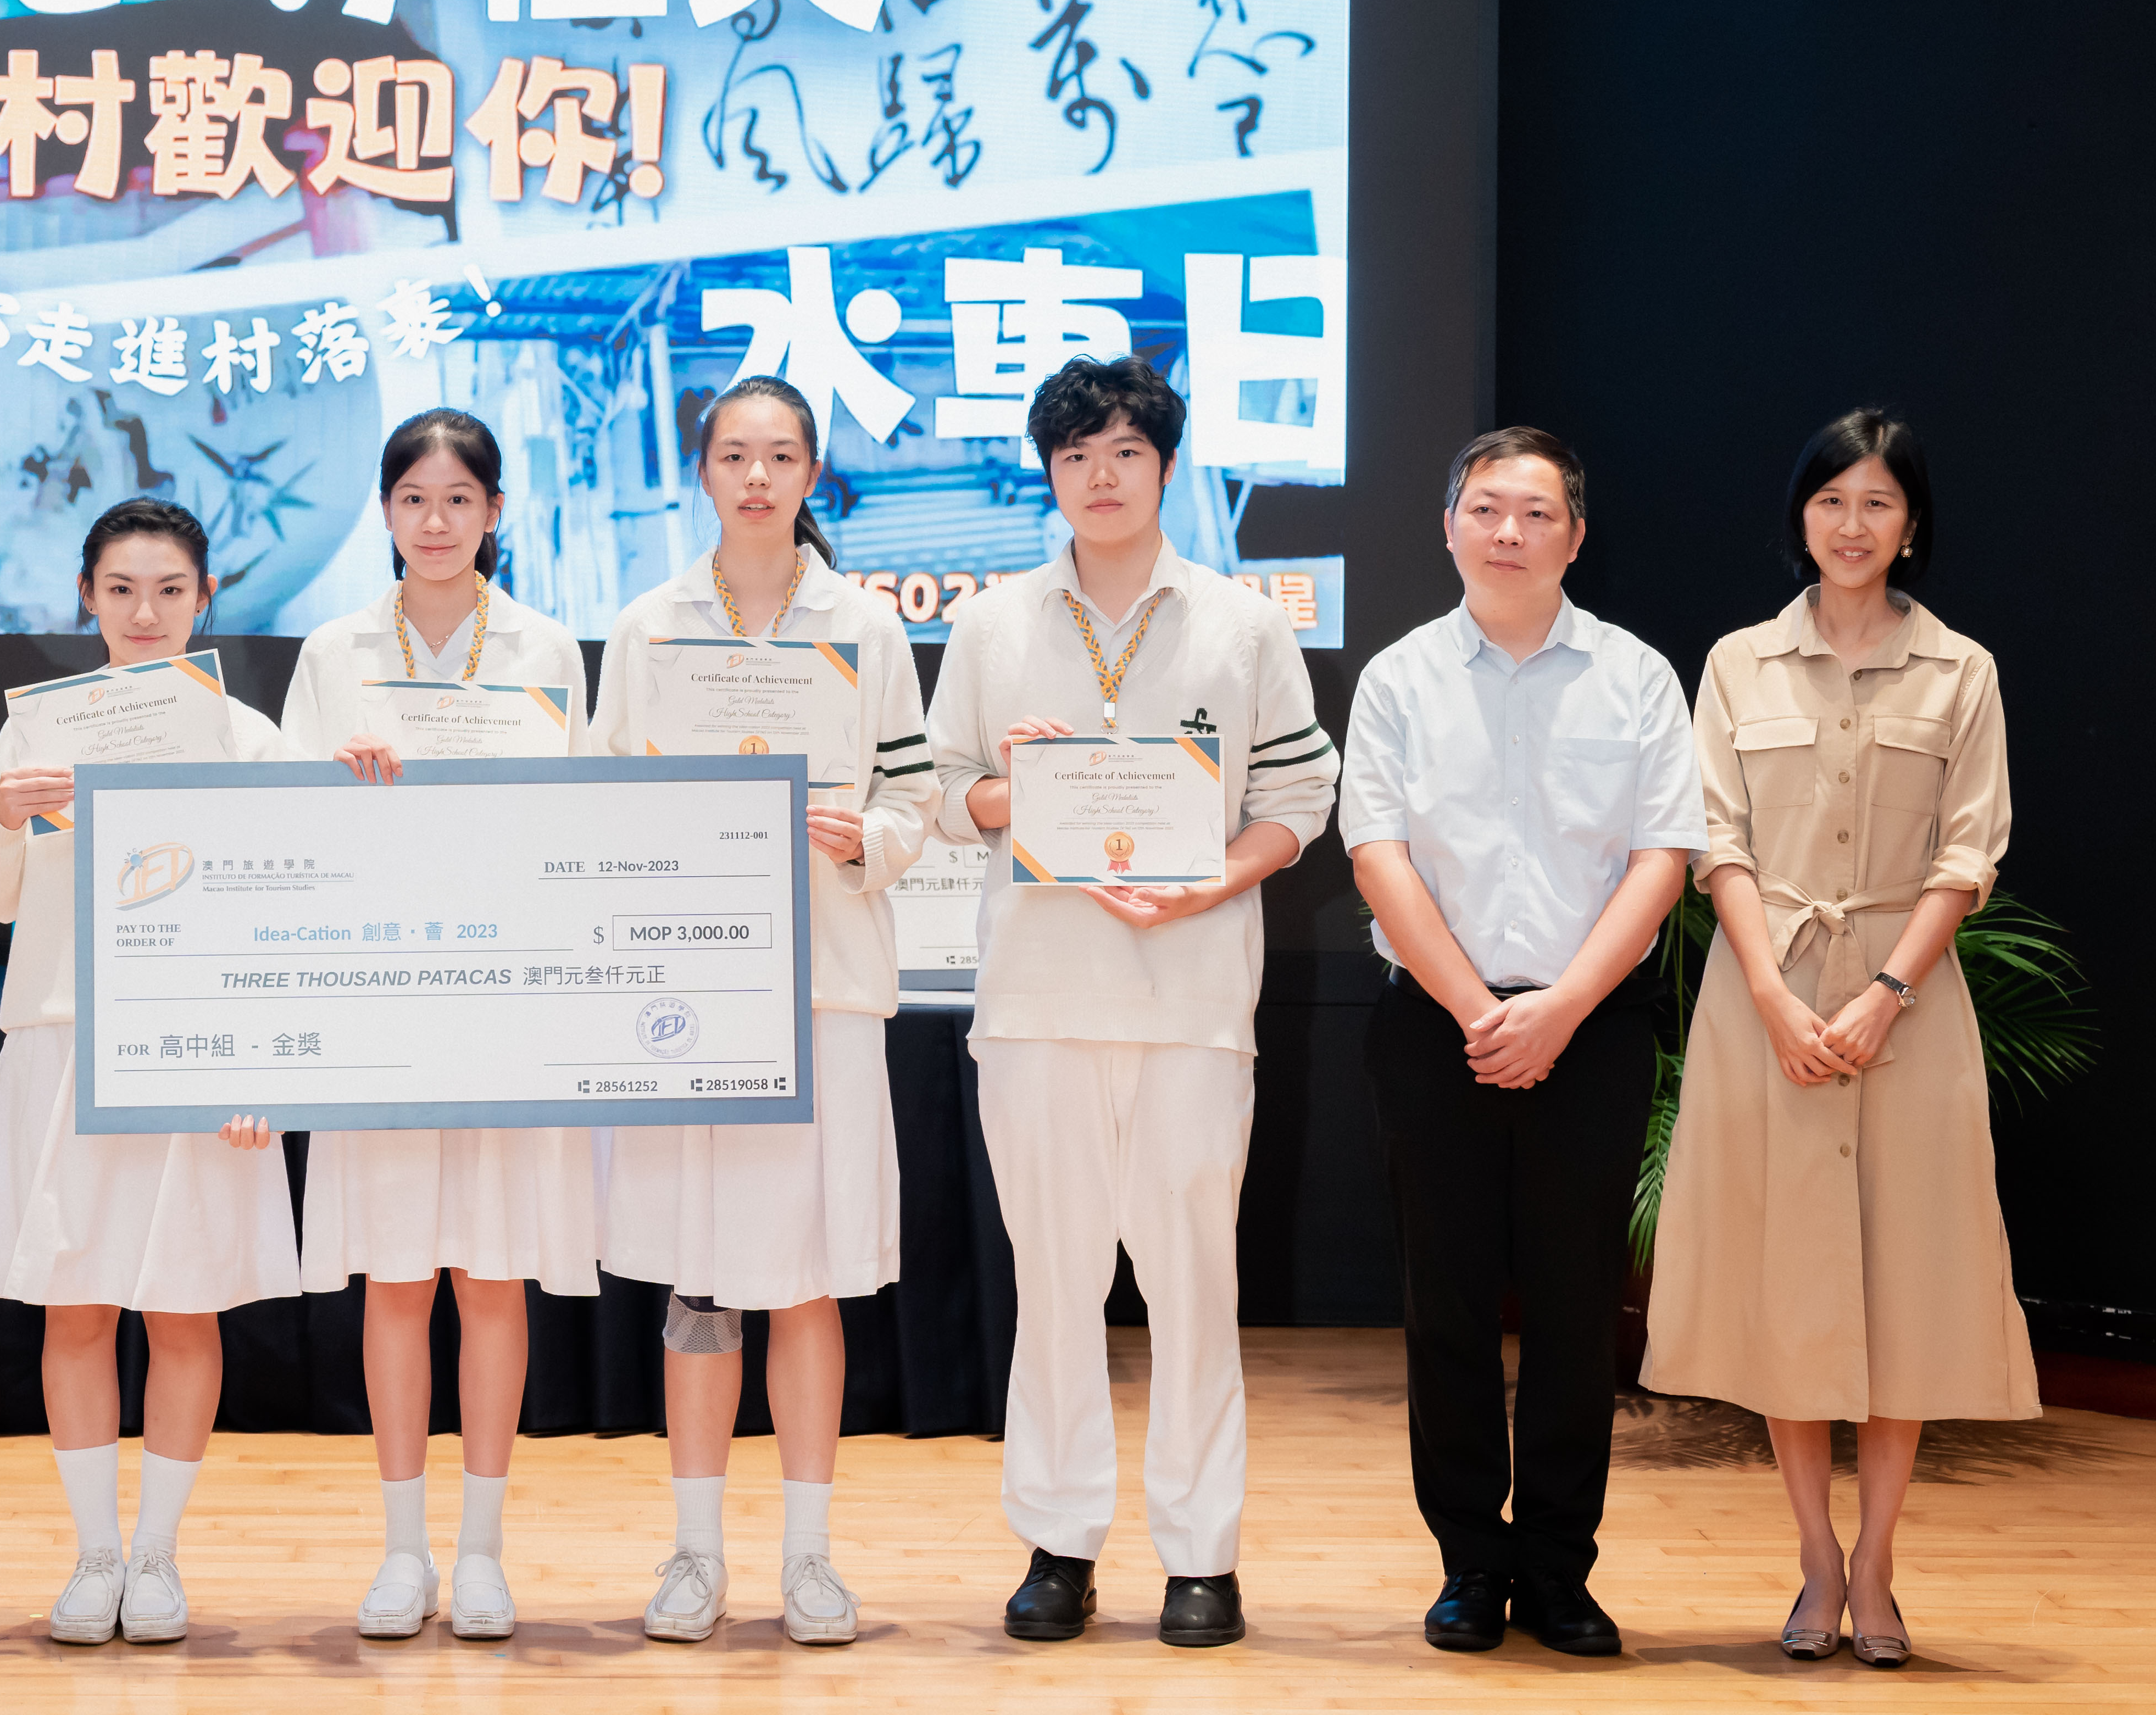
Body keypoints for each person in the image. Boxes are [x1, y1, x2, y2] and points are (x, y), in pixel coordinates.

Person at [925, 354, 1338, 1650]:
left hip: (1191, 1002)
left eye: (1124, 452)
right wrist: (1012, 786)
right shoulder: (993, 625)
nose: (1099, 476)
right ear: (1049, 473)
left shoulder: (1243, 623)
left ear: (1165, 464)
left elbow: (1300, 798)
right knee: (1053, 1286)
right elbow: (941, 793)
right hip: (1036, 1002)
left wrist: (1212, 880)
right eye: (1075, 455)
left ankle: (1202, 1555)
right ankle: (1059, 1541)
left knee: (1194, 1285)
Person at [1641, 410, 2032, 1671]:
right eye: (1831, 500)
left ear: (1911, 523)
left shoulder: (1960, 669)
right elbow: (1716, 839)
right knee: (1792, 1287)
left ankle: (1878, 1564)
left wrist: (1886, 991)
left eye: (1877, 502)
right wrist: (1771, 993)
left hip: (1909, 1008)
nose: (1852, 524)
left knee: (1904, 1281)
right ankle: (1816, 1556)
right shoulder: (1738, 663)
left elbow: (1969, 852)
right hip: (1766, 1002)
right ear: (1800, 516)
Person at [1339, 428, 1700, 1660]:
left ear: (1576, 537)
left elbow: (1663, 855)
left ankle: (1557, 1566)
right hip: (1433, 1027)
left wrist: (1560, 1009)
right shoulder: (1397, 678)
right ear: (1447, 525)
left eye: (1537, 513)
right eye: (1486, 507)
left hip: (1590, 1029)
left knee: (1574, 1309)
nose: (1509, 532)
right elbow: (1376, 853)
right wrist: (1475, 1009)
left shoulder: (1637, 677)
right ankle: (1468, 1563)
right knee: (1443, 1306)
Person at [593, 376, 938, 1649]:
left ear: (809, 472)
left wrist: (864, 836)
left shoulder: (867, 625)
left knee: (805, 1282)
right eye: (735, 454)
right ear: (703, 470)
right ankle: (695, 1555)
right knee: (698, 1286)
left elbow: (915, 797)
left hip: (824, 984)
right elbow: (597, 792)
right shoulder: (648, 626)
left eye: (780, 455)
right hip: (687, 988)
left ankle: (809, 1559)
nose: (756, 477)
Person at [0, 499, 295, 1647]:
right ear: (87, 598)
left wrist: (257, 1061)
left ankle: (158, 1556)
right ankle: (95, 1552)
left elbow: (285, 911)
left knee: (187, 1311)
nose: (146, 612)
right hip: (65, 1038)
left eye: (170, 590)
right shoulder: (40, 731)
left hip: (197, 1050)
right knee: (77, 1306)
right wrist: (4, 818)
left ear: (205, 598)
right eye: (122, 589)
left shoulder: (249, 739)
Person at [280, 408, 594, 1642]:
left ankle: (482, 1555)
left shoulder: (546, 646)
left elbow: (578, 815)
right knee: (398, 1277)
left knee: (494, 1274)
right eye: (414, 497)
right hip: (381, 991)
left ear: (495, 511)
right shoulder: (335, 652)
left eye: (460, 498)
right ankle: (403, 1552)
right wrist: (337, 787)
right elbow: (285, 829)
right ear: (387, 510)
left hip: (509, 992)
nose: (436, 520)